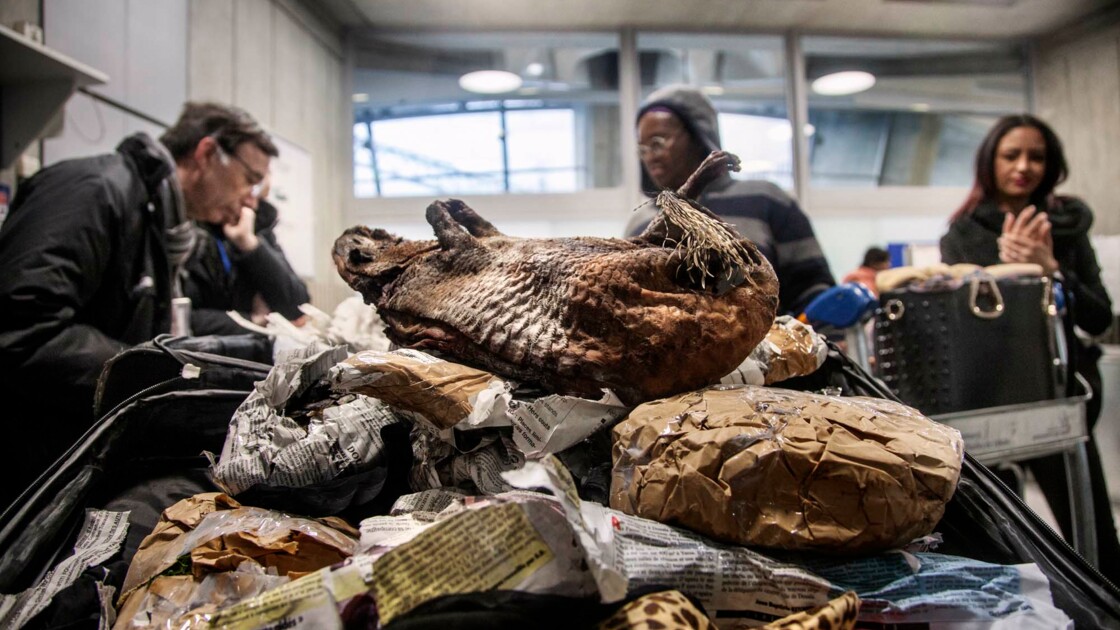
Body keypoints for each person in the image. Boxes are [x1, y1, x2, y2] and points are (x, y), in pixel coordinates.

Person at [0, 102, 278, 504]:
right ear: (205, 154)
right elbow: (22, 327)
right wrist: (145, 372)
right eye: (248, 179)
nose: (250, 199)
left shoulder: (153, 217)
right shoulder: (92, 189)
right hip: (25, 468)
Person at [939, 113, 1118, 580]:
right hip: (990, 396)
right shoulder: (963, 233)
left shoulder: (1070, 224)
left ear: (1052, 164)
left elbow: (1098, 316)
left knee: (1091, 530)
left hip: (1059, 388)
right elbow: (965, 324)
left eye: (1036, 156)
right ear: (990, 161)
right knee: (998, 534)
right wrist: (1008, 273)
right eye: (1011, 154)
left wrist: (1050, 268)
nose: (1024, 165)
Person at [624, 84, 835, 316]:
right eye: (643, 148)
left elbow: (813, 287)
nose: (650, 156)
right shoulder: (640, 224)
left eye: (658, 142)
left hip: (773, 347)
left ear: (698, 136)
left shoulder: (764, 201)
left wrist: (823, 341)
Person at [183, 175, 310, 335]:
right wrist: (252, 322)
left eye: (258, 194)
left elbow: (297, 306)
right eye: (249, 187)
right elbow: (178, 316)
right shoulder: (190, 227)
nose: (252, 204)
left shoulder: (259, 225)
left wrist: (250, 245)